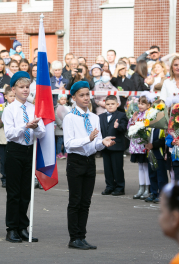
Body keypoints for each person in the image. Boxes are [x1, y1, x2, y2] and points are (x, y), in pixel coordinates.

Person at [63, 81, 116, 250]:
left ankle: (82, 236)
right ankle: (74, 237)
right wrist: (89, 139)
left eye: (87, 94)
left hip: (89, 162)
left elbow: (95, 144)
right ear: (74, 98)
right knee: (75, 201)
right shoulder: (70, 117)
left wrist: (102, 142)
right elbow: (69, 144)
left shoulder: (94, 117)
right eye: (82, 95)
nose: (86, 98)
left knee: (86, 201)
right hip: (75, 162)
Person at [2, 71, 45, 243]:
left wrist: (34, 128)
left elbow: (41, 132)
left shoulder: (33, 108)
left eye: (27, 87)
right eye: (21, 87)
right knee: (14, 192)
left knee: (26, 192)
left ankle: (23, 227)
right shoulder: (10, 109)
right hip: (15, 150)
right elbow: (10, 134)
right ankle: (11, 228)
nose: (25, 90)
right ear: (13, 89)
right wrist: (25, 126)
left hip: (29, 151)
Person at [99, 95, 128, 196]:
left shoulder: (121, 115)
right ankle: (109, 186)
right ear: (104, 105)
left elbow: (124, 128)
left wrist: (118, 126)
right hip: (106, 146)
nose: (110, 106)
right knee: (107, 168)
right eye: (108, 104)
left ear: (117, 104)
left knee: (117, 168)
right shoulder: (101, 116)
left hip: (117, 146)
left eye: (112, 104)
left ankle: (120, 187)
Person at [128, 94, 152, 200]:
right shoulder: (137, 115)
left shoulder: (149, 115)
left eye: (143, 103)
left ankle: (148, 188)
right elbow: (130, 128)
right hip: (136, 146)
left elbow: (149, 128)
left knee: (146, 167)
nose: (140, 105)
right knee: (140, 167)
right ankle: (141, 188)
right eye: (139, 103)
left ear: (148, 105)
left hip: (144, 145)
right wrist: (133, 120)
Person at [144, 107, 168, 203]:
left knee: (161, 175)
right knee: (152, 175)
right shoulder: (148, 126)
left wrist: (153, 145)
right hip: (150, 154)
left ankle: (162, 194)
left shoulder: (162, 127)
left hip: (159, 154)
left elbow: (164, 140)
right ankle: (154, 192)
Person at [0, 86, 15, 188]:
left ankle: (13, 178)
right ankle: (4, 178)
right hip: (4, 138)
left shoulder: (18, 106)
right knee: (4, 160)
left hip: (15, 138)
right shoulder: (1, 107)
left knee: (13, 160)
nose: (13, 98)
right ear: (5, 96)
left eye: (14, 96)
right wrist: (2, 121)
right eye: (10, 96)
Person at [55, 94, 69, 159]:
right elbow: (57, 117)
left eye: (65, 99)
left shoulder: (67, 107)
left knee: (65, 141)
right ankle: (59, 153)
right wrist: (61, 125)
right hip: (60, 128)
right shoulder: (58, 108)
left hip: (66, 127)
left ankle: (66, 152)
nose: (63, 101)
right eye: (62, 99)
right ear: (59, 100)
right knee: (60, 141)